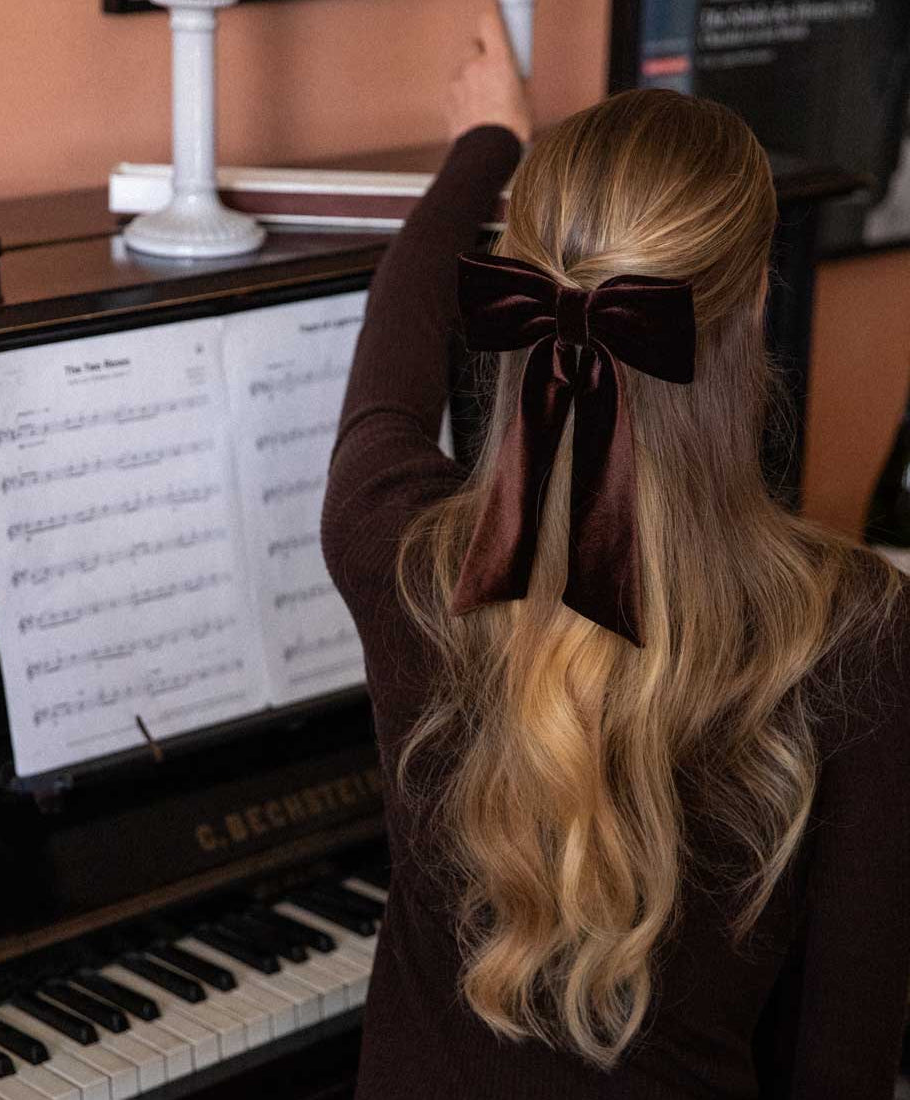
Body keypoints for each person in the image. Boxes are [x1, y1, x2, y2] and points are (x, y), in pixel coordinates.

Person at [321, 8, 910, 1097]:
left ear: (515, 292)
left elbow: (384, 375)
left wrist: (486, 143)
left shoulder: (398, 551)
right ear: (751, 310)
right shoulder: (859, 631)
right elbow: (846, 1050)